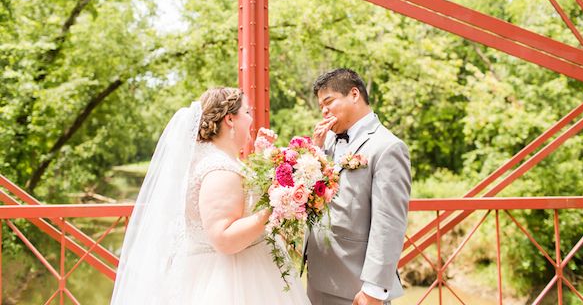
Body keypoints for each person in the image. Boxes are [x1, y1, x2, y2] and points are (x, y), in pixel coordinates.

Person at [111, 87, 310, 304]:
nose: (251, 119)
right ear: (230, 119)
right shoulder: (219, 170)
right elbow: (224, 239)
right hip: (233, 280)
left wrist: (264, 156)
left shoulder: (215, 158)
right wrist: (275, 208)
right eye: (247, 113)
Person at [305, 69, 412, 305]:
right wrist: (316, 152)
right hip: (317, 280)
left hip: (356, 287)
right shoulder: (327, 142)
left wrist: (373, 290)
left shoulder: (387, 147)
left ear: (354, 94)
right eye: (320, 105)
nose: (323, 110)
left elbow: (389, 223)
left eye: (328, 101)